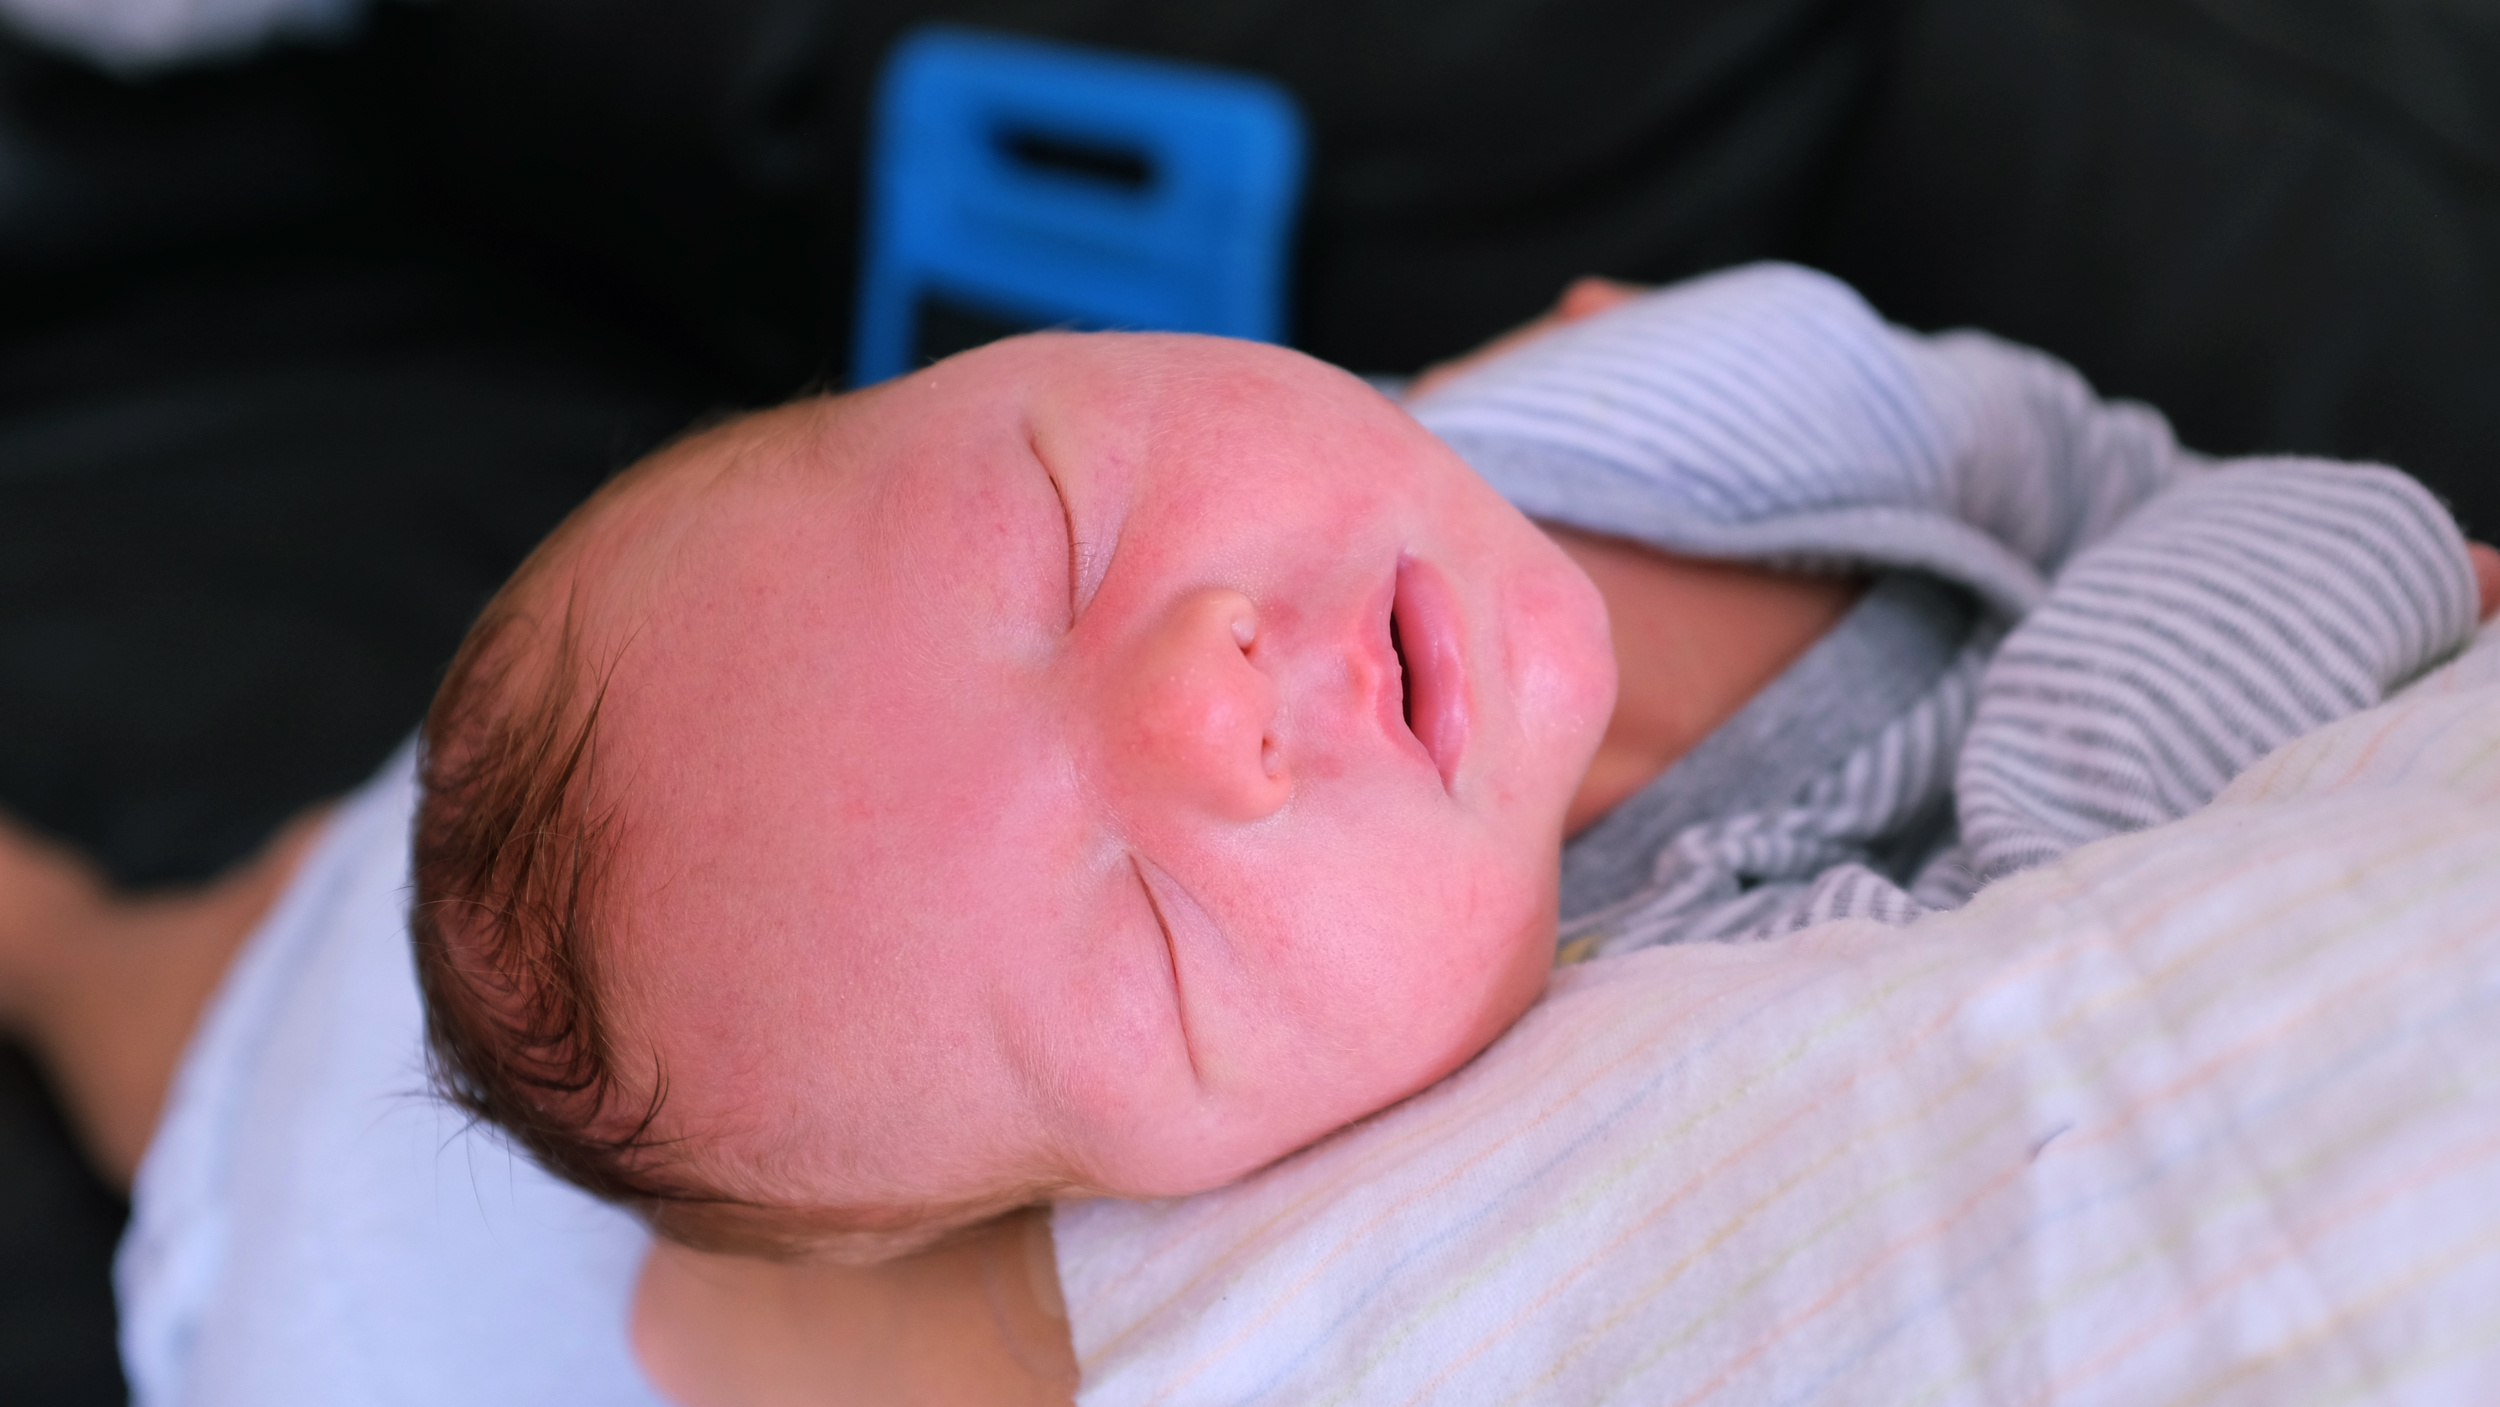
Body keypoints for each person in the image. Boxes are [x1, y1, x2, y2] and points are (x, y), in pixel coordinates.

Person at [6, 265, 2496, 1406]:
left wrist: (2200, 548)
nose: (1200, 689)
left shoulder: (1668, 397)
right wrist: (2321, 583)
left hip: (668, 932)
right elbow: (2105, 812)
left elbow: (2049, 452)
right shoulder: (1646, 1029)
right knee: (188, 1055)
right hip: (424, 1324)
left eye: (1064, 527)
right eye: (1146, 927)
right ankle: (63, 949)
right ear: (1146, 1193)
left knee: (390, 888)